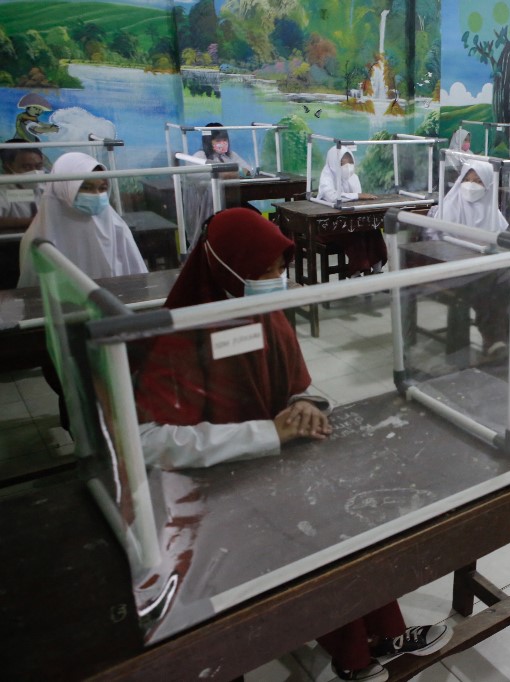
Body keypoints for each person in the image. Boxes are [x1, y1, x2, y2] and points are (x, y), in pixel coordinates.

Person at [135, 208, 451, 682]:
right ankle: (353, 656)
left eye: (280, 269)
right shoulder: (181, 334)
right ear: (227, 268)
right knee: (316, 530)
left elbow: (295, 383)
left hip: (269, 460)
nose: (276, 280)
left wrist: (304, 405)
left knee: (350, 514)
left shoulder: (263, 312)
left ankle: (384, 633)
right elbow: (148, 442)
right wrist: (265, 434)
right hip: (211, 484)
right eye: (263, 272)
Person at [431, 160, 510, 354]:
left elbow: (503, 237)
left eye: (478, 181)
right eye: (467, 180)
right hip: (456, 268)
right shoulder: (449, 207)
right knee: (489, 285)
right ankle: (493, 338)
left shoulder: (490, 209)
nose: (470, 186)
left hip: (488, 262)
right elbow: (440, 245)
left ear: (488, 185)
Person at [18, 151, 147, 288]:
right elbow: (33, 290)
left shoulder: (117, 228)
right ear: (63, 187)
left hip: (113, 303)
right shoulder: (39, 236)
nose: (97, 195)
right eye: (86, 187)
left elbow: (139, 278)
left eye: (102, 188)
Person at [317, 145, 387, 275]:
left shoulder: (353, 177)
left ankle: (377, 268)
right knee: (353, 233)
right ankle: (358, 271)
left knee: (372, 229)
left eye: (351, 162)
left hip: (348, 221)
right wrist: (357, 196)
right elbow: (332, 197)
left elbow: (358, 202)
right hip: (328, 226)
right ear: (333, 162)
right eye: (343, 163)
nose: (348, 166)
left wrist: (358, 197)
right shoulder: (327, 177)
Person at [0, 139, 45, 232]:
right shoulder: (3, 192)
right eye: (27, 167)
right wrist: (36, 222)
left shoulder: (44, 187)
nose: (35, 172)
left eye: (38, 166)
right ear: (8, 167)